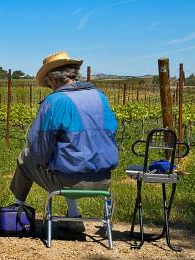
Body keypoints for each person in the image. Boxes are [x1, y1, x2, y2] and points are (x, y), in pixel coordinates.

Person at [9, 51, 118, 232]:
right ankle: (73, 218)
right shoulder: (100, 96)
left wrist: (46, 159)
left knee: (25, 157)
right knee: (69, 160)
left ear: (53, 79)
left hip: (70, 183)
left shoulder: (54, 101)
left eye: (48, 83)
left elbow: (39, 150)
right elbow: (112, 130)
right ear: (74, 74)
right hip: (104, 180)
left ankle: (15, 208)